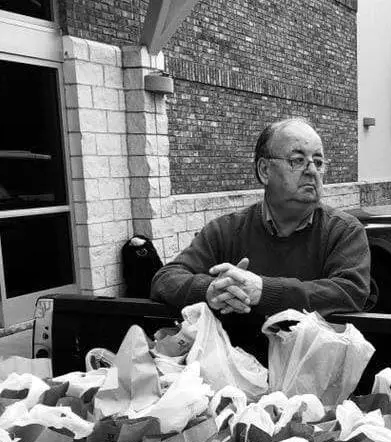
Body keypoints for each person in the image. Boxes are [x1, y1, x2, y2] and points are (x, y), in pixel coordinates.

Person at [150, 117, 373, 321]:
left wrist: (264, 291)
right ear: (264, 170)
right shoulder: (227, 230)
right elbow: (166, 279)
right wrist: (210, 290)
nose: (312, 171)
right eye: (297, 160)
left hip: (311, 360)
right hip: (237, 359)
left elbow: (350, 291)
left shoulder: (344, 231)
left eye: (318, 161)